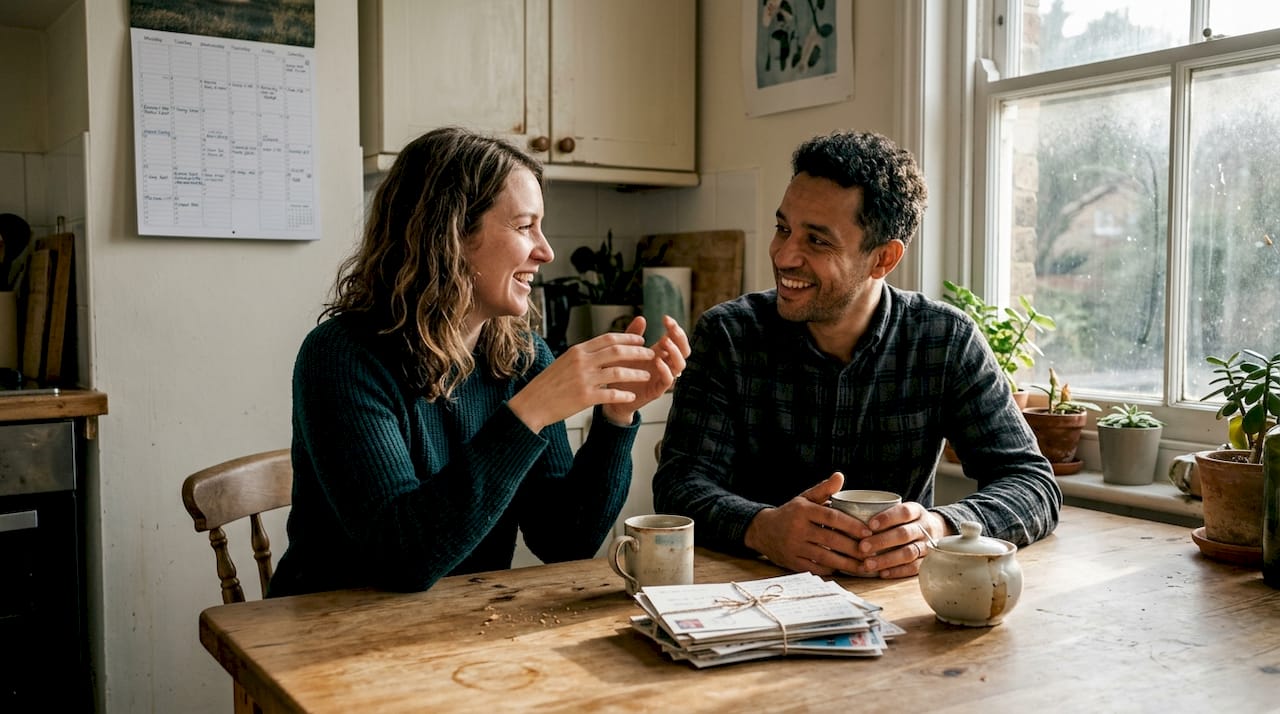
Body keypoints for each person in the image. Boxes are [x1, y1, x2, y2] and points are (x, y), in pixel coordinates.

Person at [269, 127, 690, 596]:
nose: (546, 251)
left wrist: (616, 418)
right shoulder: (342, 356)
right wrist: (528, 413)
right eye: (525, 225)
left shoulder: (522, 357)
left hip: (461, 624)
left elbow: (565, 541)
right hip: (325, 632)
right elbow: (402, 558)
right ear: (450, 234)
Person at [652, 130, 1060, 580]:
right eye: (783, 229)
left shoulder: (946, 340)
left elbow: (1033, 484)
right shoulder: (729, 335)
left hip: (898, 606)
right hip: (746, 595)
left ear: (883, 259)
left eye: (817, 241)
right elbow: (678, 485)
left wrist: (937, 527)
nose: (785, 256)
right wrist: (761, 528)